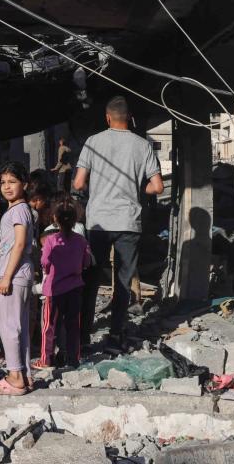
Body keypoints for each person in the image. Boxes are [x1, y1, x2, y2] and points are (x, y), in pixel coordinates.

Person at [73, 96, 163, 349]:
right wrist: (134, 187)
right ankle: (115, 335)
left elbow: (78, 183)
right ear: (129, 117)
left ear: (107, 117)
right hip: (128, 222)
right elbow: (157, 187)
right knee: (123, 282)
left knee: (90, 281)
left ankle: (82, 336)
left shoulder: (93, 142)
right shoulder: (142, 145)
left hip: (98, 222)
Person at [0, 162, 35, 396]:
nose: (7, 186)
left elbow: (19, 244)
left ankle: (15, 377)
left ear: (24, 185)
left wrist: (6, 277)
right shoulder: (19, 210)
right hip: (18, 275)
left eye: (12, 182)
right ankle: (24, 374)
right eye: (3, 182)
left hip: (15, 276)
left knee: (9, 326)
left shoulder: (18, 211)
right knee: (20, 326)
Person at [35, 195, 90, 368]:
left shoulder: (51, 240)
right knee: (73, 325)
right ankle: (74, 359)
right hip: (75, 289)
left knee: (48, 326)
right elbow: (87, 262)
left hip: (54, 290)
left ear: (55, 218)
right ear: (76, 220)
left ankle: (46, 359)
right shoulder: (81, 240)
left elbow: (44, 262)